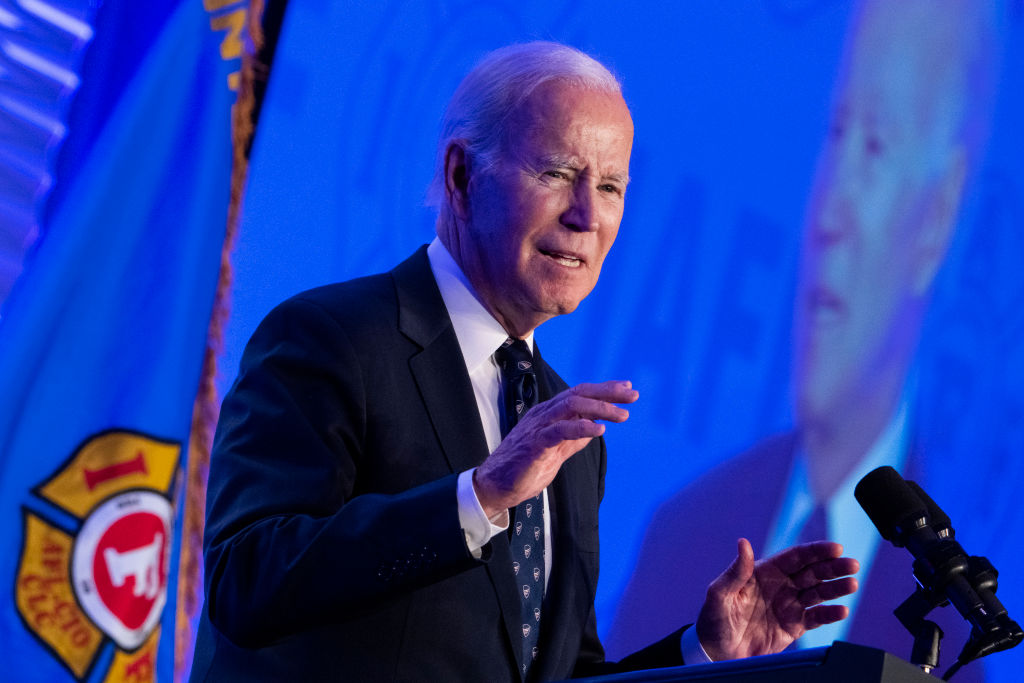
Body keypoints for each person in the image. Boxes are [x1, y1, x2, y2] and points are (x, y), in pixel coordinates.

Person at [189, 41, 858, 682]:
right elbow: (244, 581)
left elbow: (559, 673)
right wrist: (477, 496)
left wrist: (703, 650)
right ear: (461, 175)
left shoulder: (563, 429)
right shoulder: (332, 337)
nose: (586, 216)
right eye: (557, 173)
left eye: (612, 187)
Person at [607, 2, 997, 679]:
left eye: (874, 146)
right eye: (835, 132)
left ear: (936, 218)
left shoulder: (960, 636)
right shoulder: (681, 532)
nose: (828, 212)